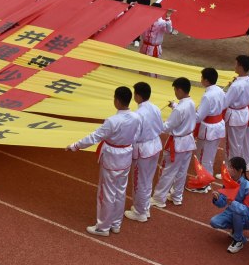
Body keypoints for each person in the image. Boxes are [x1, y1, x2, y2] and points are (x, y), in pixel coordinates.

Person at [67, 86, 140, 236]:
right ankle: (115, 223)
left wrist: (75, 146)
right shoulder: (136, 117)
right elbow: (136, 135)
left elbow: (94, 137)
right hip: (126, 156)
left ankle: (103, 227)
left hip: (112, 158)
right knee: (120, 192)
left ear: (117, 101)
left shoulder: (112, 121)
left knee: (106, 193)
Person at [153, 77, 195, 208]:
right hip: (188, 141)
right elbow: (182, 113)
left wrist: (154, 122)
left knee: (168, 171)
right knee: (182, 171)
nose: (175, 93)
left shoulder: (179, 109)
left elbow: (167, 126)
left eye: (175, 90)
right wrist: (174, 106)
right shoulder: (191, 103)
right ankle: (177, 196)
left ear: (180, 90)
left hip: (177, 143)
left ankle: (159, 198)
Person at [125, 81, 163, 223]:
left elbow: (134, 136)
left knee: (139, 181)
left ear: (138, 96)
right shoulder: (155, 108)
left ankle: (140, 211)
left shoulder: (138, 114)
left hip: (143, 150)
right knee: (147, 180)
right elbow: (160, 127)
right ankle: (144, 207)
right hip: (155, 146)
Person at [222, 56, 249, 169]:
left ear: (240, 67)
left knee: (231, 146)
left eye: (236, 64)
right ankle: (240, 166)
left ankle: (230, 169)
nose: (234, 66)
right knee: (238, 143)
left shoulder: (237, 85)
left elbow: (225, 102)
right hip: (243, 114)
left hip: (234, 116)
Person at [194, 68, 227, 178]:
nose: (201, 80)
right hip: (217, 126)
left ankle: (203, 181)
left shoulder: (207, 96)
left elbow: (198, 117)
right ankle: (205, 178)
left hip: (209, 128)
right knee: (210, 155)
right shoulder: (220, 91)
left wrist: (189, 112)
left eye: (202, 78)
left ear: (206, 80)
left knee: (203, 156)